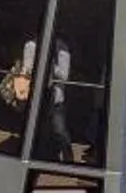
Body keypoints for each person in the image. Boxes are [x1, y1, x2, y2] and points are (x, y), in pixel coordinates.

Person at [10, 29, 78, 162]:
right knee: (31, 126)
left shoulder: (62, 49)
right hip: (35, 95)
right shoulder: (30, 46)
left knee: (59, 130)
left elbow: (64, 76)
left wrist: (50, 65)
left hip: (55, 97)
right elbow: (27, 69)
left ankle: (68, 159)